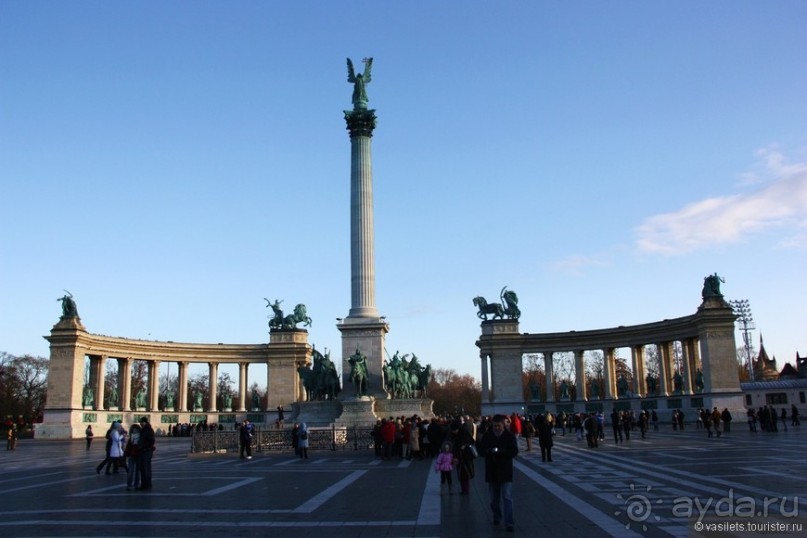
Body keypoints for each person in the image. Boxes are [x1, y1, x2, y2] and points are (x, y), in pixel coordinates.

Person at [477, 414, 518, 532]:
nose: (497, 428)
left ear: (503, 425)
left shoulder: (509, 436)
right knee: (493, 500)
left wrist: (500, 452)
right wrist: (489, 451)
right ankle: (497, 515)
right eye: (495, 426)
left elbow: (514, 451)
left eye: (499, 426)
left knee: (507, 497)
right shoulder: (487, 436)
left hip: (505, 471)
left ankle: (509, 522)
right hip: (492, 471)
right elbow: (480, 450)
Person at [137, 417, 155, 490]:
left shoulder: (148, 430)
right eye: (140, 422)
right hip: (145, 450)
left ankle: (145, 484)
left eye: (142, 422)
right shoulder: (145, 429)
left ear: (145, 422)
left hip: (146, 451)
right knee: (145, 468)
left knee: (145, 468)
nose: (141, 424)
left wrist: (144, 447)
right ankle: (147, 483)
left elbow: (151, 441)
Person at [124, 423, 142, 491]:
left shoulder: (140, 438)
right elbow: (128, 447)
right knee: (130, 471)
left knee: (137, 471)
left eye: (136, 430)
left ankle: (136, 484)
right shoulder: (130, 438)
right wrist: (125, 454)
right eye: (133, 430)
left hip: (138, 456)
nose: (134, 431)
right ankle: (129, 485)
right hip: (131, 456)